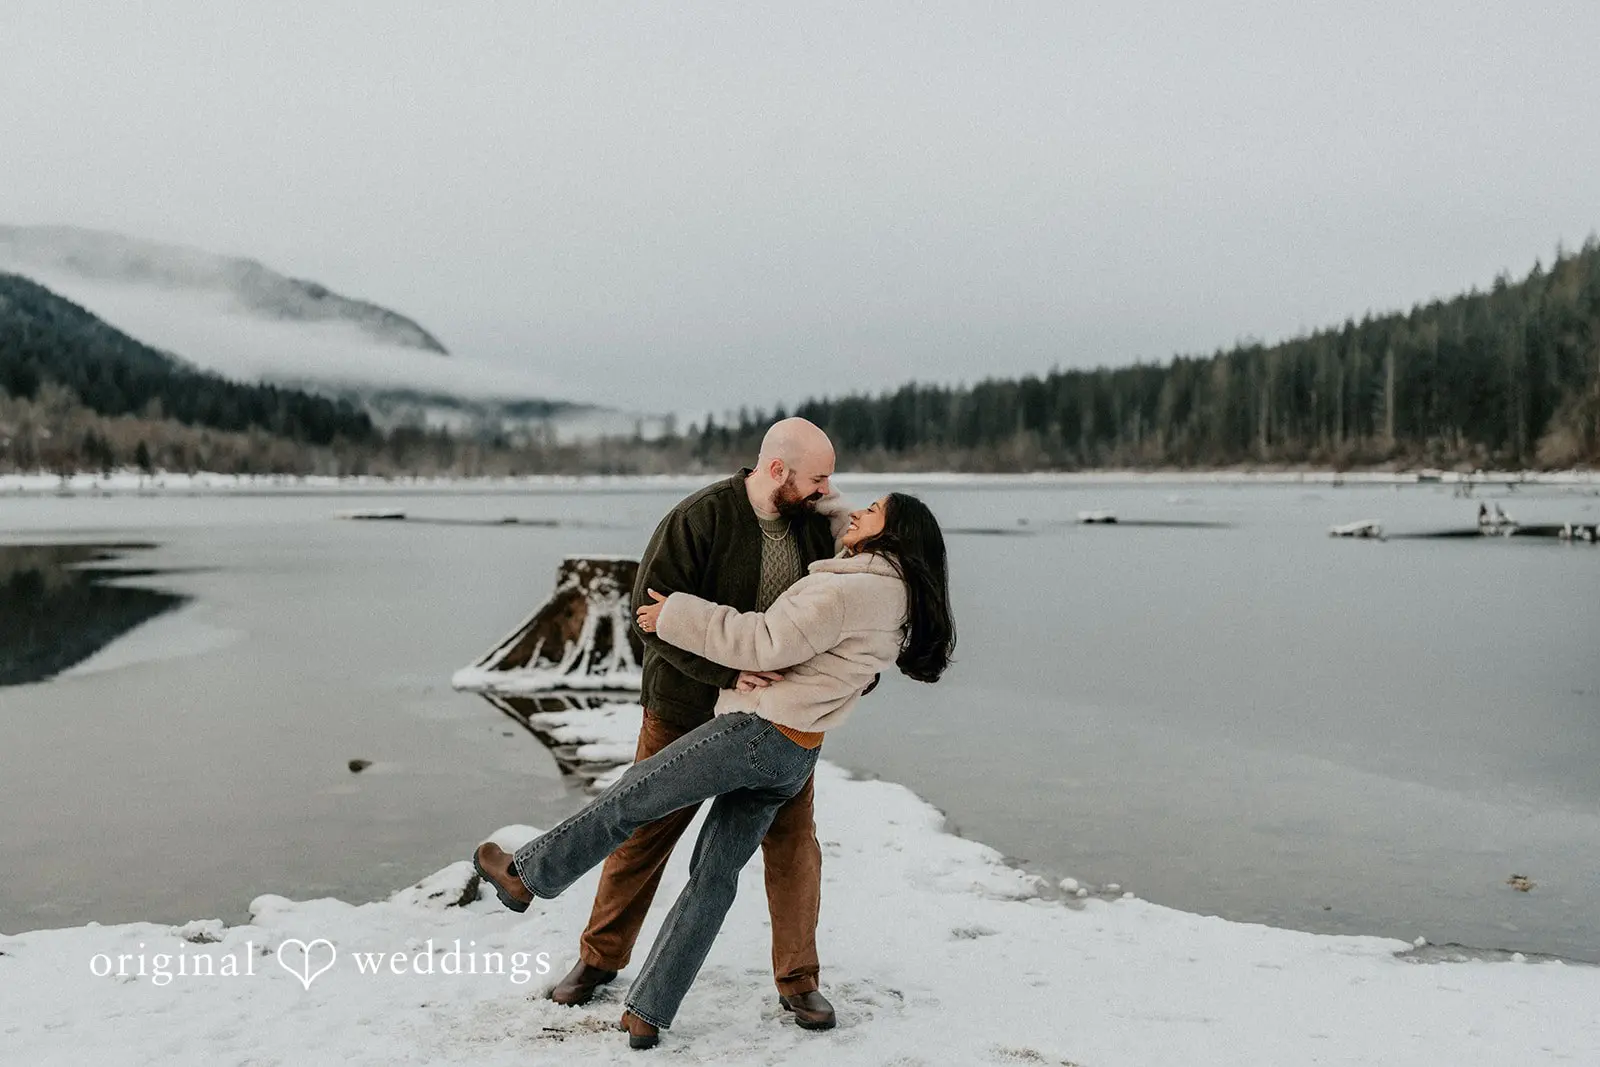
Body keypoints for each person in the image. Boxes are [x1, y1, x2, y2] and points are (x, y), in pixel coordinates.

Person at [473, 491, 954, 1049]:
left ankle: (527, 875)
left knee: (634, 798)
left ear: (890, 535)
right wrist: (821, 500)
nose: (857, 511)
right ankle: (648, 1011)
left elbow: (765, 642)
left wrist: (675, 615)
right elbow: (847, 542)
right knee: (713, 877)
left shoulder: (850, 589)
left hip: (755, 733)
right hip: (795, 753)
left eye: (873, 511)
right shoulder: (897, 595)